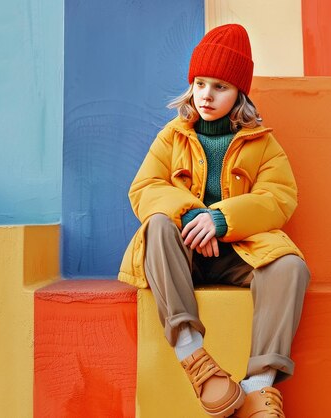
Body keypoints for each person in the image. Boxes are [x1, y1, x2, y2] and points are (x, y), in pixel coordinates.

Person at [118, 24, 310, 418]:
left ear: (240, 92)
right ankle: (194, 357)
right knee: (157, 224)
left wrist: (220, 221)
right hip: (182, 253)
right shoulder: (172, 137)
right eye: (200, 83)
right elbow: (145, 188)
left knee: (290, 266)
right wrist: (194, 216)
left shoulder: (263, 143)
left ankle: (259, 388)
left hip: (237, 253)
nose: (206, 94)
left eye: (220, 86)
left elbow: (278, 198)